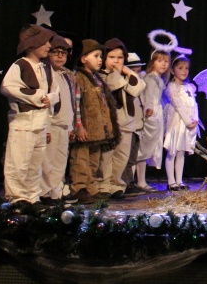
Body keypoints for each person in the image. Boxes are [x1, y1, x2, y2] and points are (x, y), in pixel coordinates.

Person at [1, 25, 57, 205]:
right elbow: (8, 87)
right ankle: (18, 198)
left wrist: (50, 99)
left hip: (40, 124)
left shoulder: (45, 67)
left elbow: (54, 91)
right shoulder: (20, 65)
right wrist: (38, 96)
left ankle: (33, 197)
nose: (49, 46)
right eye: (45, 42)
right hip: (23, 124)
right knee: (19, 164)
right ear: (33, 43)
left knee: (35, 165)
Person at [68, 40, 117, 204]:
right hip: (85, 128)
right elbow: (76, 104)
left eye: (101, 57)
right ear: (83, 59)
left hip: (97, 129)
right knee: (80, 160)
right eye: (96, 56)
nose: (100, 60)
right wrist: (79, 126)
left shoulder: (97, 79)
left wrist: (106, 125)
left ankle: (90, 188)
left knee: (93, 161)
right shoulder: (79, 78)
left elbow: (104, 105)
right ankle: (79, 188)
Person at [99, 38, 145, 199]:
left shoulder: (124, 75)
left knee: (121, 157)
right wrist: (120, 73)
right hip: (110, 123)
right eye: (112, 57)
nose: (116, 61)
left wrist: (128, 72)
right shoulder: (101, 75)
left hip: (126, 122)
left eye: (120, 58)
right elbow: (113, 85)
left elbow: (137, 88)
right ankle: (104, 186)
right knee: (106, 157)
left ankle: (116, 185)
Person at [40, 36, 76, 204]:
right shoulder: (46, 73)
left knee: (60, 162)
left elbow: (70, 101)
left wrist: (71, 126)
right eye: (55, 52)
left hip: (64, 124)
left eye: (64, 53)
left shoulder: (65, 75)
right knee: (48, 162)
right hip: (52, 123)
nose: (60, 56)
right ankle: (45, 193)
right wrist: (46, 127)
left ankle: (56, 192)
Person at [135, 49, 170, 192]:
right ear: (153, 62)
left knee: (146, 150)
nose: (163, 64)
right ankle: (137, 181)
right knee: (142, 149)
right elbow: (148, 98)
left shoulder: (158, 79)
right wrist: (148, 112)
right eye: (159, 61)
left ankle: (140, 181)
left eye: (166, 61)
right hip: (151, 115)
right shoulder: (150, 78)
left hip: (156, 114)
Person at [163, 55, 199, 191]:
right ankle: (171, 181)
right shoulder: (172, 87)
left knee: (181, 152)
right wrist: (188, 121)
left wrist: (195, 119)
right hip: (176, 123)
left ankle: (179, 181)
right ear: (173, 71)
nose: (184, 71)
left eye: (186, 68)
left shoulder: (190, 87)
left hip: (187, 125)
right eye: (180, 68)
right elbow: (178, 105)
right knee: (172, 151)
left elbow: (194, 104)